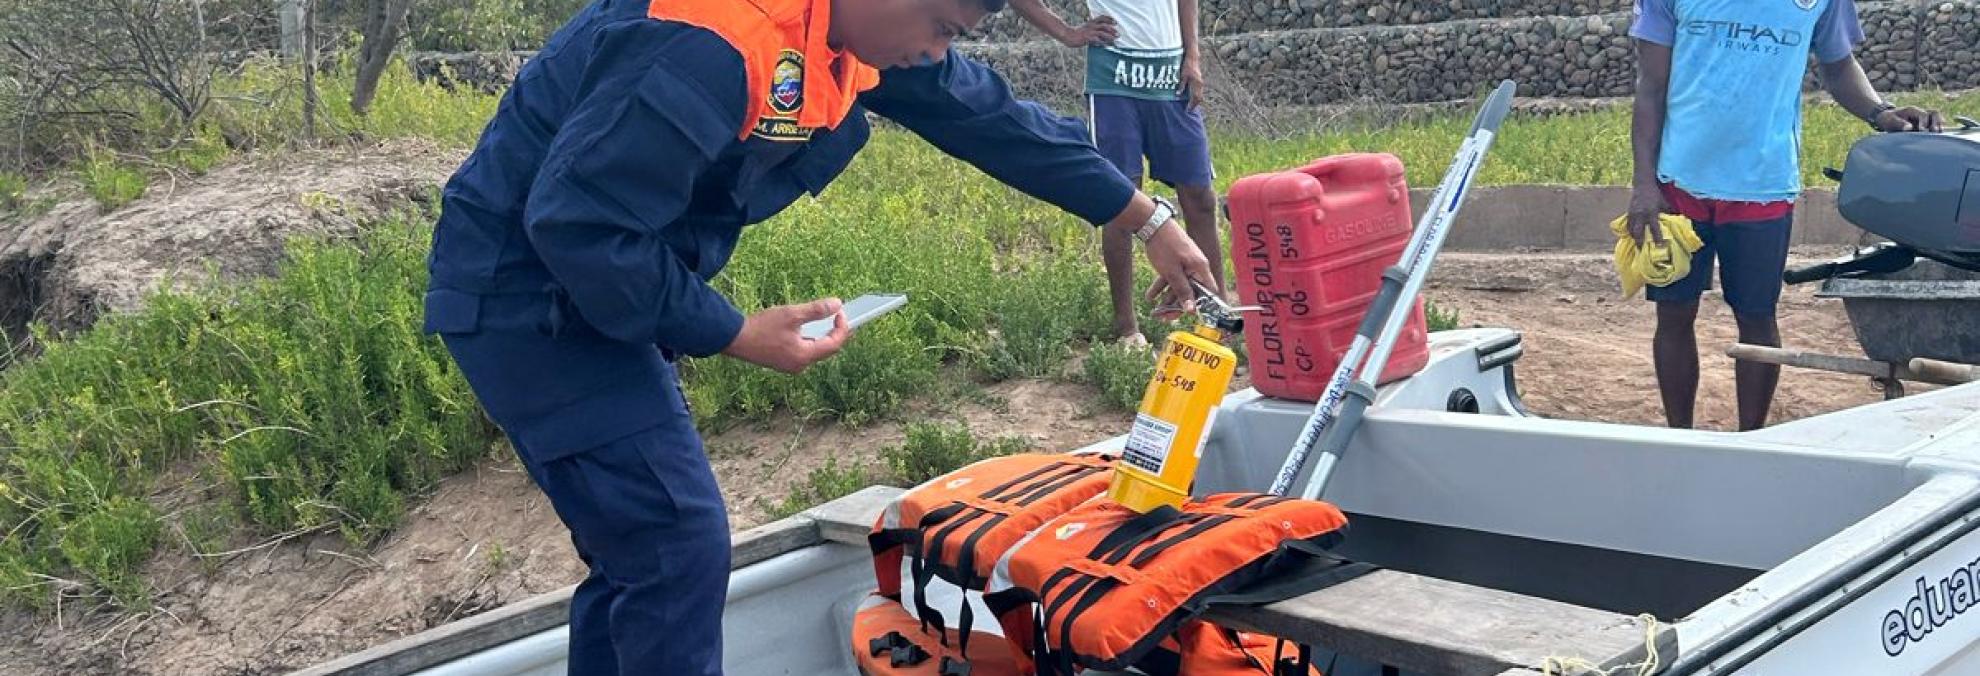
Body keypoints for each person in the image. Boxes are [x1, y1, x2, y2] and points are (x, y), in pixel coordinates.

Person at [419, 0, 1218, 672]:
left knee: (640, 555)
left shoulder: (845, 31)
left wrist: (1141, 215)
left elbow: (985, 114)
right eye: (941, 25)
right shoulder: (712, 40)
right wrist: (730, 330)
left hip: (596, 284)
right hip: (528, 298)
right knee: (676, 544)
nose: (937, 51)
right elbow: (581, 226)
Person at [1628, 0, 1941, 431]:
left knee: (1757, 316)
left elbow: (1838, 64)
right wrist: (1644, 185)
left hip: (1764, 186)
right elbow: (1651, 86)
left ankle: (1751, 442)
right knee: (1674, 313)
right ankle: (1679, 436)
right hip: (1678, 185)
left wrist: (1880, 111)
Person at [1008, 0, 1220, 345]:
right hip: (1114, 81)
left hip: (1172, 76)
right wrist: (1067, 33)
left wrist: (1192, 56)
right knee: (1119, 199)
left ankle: (1217, 320)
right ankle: (1127, 330)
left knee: (1201, 199)